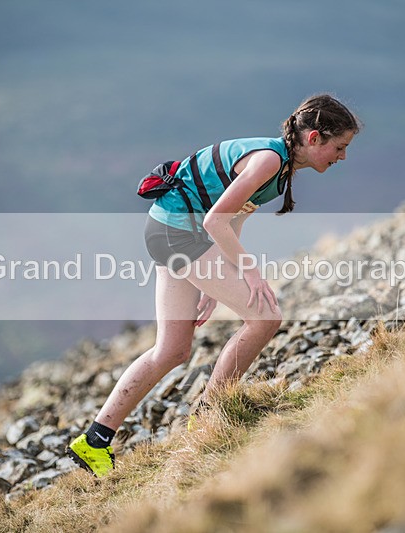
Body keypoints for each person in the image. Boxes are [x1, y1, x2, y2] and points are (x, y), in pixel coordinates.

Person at [66, 94, 361, 477]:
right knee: (266, 318)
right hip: (179, 234)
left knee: (171, 350)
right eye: (339, 147)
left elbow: (231, 218)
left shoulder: (280, 164)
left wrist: (211, 280)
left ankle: (94, 440)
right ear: (315, 138)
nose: (342, 157)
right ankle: (210, 415)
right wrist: (248, 270)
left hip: (168, 230)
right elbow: (214, 223)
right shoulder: (270, 160)